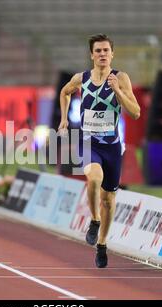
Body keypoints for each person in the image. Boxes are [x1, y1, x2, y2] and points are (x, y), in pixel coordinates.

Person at [58, 34, 140, 268]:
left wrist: (119, 92)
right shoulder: (81, 78)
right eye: (98, 51)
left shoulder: (121, 78)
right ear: (91, 55)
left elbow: (135, 113)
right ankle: (94, 221)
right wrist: (64, 119)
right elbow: (64, 92)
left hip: (112, 147)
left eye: (106, 50)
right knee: (93, 179)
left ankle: (102, 244)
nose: (102, 54)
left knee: (109, 199)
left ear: (112, 54)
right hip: (88, 142)